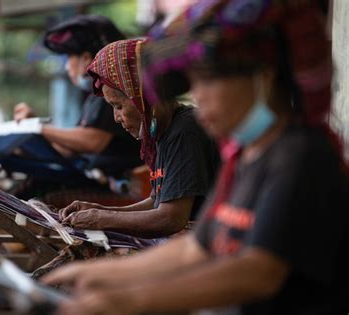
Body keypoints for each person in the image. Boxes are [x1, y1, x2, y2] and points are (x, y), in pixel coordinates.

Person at [43, 1, 349, 314]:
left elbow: (258, 273)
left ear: (264, 76)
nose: (198, 95)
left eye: (209, 79)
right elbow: (197, 247)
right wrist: (97, 274)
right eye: (194, 82)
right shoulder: (246, 157)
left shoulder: (300, 156)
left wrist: (129, 298)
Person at [57, 38, 220, 238]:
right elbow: (157, 201)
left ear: (143, 97)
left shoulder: (184, 131)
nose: (116, 118)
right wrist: (100, 211)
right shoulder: (164, 131)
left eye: (119, 106)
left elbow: (171, 218)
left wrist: (101, 218)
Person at [0, 15, 142, 198]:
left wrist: (37, 128)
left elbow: (92, 141)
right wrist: (33, 126)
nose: (67, 67)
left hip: (115, 188)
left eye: (70, 57)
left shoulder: (110, 94)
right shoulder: (94, 99)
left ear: (86, 59)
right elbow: (69, 149)